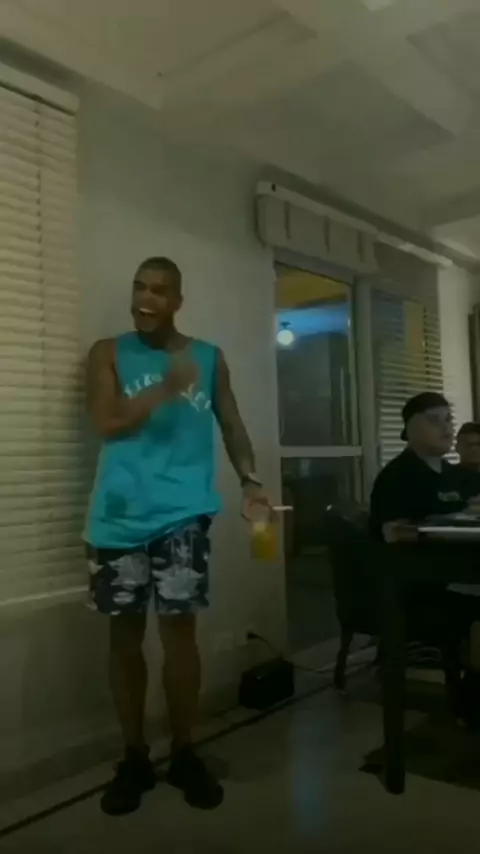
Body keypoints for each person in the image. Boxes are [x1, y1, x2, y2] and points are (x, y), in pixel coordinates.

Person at [85, 257, 270, 816]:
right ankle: (135, 757)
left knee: (180, 636)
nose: (146, 298)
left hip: (184, 514)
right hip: (118, 517)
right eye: (139, 287)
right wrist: (165, 388)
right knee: (124, 637)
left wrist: (251, 481)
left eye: (159, 290)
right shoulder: (107, 352)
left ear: (177, 302)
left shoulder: (208, 358)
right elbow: (107, 421)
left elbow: (232, 424)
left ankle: (185, 751)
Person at [370, 392, 480, 725]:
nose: (446, 428)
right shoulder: (398, 476)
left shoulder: (454, 474)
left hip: (460, 575)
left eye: (448, 420)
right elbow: (393, 533)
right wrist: (445, 524)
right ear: (410, 428)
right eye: (435, 421)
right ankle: (472, 699)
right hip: (419, 587)